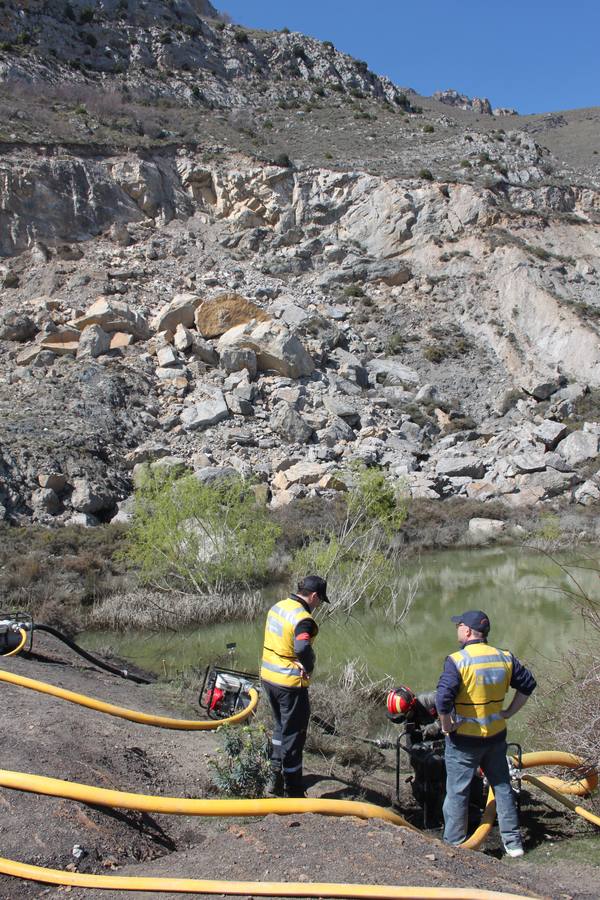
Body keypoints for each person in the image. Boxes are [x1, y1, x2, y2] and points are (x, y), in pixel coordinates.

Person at [435, 609, 536, 857]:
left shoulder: (458, 660)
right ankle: (513, 844)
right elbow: (528, 685)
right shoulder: (504, 658)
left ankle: (455, 844)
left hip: (464, 741)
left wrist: (446, 726)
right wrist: (509, 712)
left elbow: (442, 700)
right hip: (496, 737)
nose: (456, 629)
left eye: (458, 625)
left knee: (458, 791)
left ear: (467, 631)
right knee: (502, 787)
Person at [260, 574, 329, 798]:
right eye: (319, 600)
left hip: (268, 678)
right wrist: (308, 667)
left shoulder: (278, 607)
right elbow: (301, 647)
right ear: (313, 596)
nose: (318, 605)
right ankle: (294, 791)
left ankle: (274, 778)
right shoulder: (303, 619)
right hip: (289, 685)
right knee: (295, 736)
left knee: (280, 728)